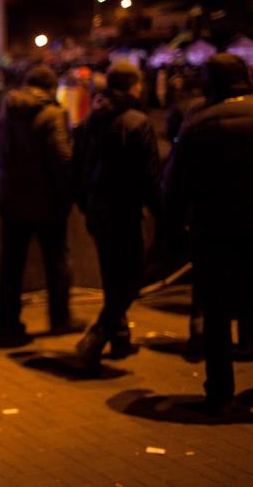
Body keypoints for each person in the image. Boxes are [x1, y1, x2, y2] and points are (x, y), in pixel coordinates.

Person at [164, 53, 253, 413]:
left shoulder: (199, 124)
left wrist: (173, 232)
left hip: (213, 231)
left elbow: (175, 185)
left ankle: (219, 390)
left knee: (216, 311)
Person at [72, 61, 161, 367]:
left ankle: (120, 337)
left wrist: (85, 205)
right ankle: (98, 335)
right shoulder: (137, 122)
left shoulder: (90, 121)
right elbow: (150, 177)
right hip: (125, 209)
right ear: (133, 86)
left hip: (97, 210)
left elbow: (75, 170)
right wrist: (161, 214)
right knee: (132, 276)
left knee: (112, 275)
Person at [0, 64, 80, 339]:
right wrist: (68, 193)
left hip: (11, 200)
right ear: (51, 87)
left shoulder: (6, 114)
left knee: (11, 264)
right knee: (56, 261)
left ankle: (8, 323)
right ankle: (60, 319)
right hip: (47, 203)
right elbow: (62, 158)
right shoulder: (53, 114)